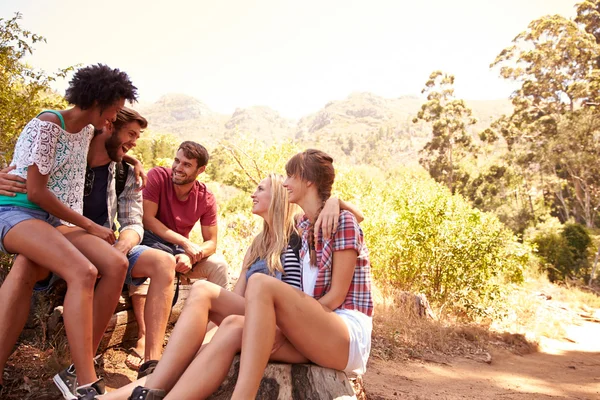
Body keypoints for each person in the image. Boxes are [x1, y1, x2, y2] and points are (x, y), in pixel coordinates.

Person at [99, 171, 363, 399]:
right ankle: (125, 396)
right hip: (250, 318)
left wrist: (335, 201)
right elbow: (233, 299)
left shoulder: (298, 232)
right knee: (193, 342)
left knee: (217, 331)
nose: (253, 194)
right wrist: (202, 337)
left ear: (279, 198)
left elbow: (350, 220)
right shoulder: (258, 244)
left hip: (287, 326)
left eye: (261, 189)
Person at [0, 64, 138, 399]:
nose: (115, 118)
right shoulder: (50, 124)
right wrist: (89, 225)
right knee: (83, 271)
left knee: (116, 264)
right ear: (96, 101)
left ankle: (77, 365)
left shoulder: (88, 131)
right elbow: (35, 191)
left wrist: (135, 163)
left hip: (54, 222)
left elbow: (117, 146)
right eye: (115, 110)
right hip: (19, 211)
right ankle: (86, 383)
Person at [125, 141, 229, 369]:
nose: (178, 168)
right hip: (150, 242)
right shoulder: (158, 177)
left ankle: (210, 340)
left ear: (200, 170)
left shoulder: (205, 197)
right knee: (158, 263)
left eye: (187, 165)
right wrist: (184, 243)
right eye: (177, 161)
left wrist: (191, 256)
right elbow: (148, 219)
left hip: (179, 252)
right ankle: (144, 337)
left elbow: (211, 241)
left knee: (219, 265)